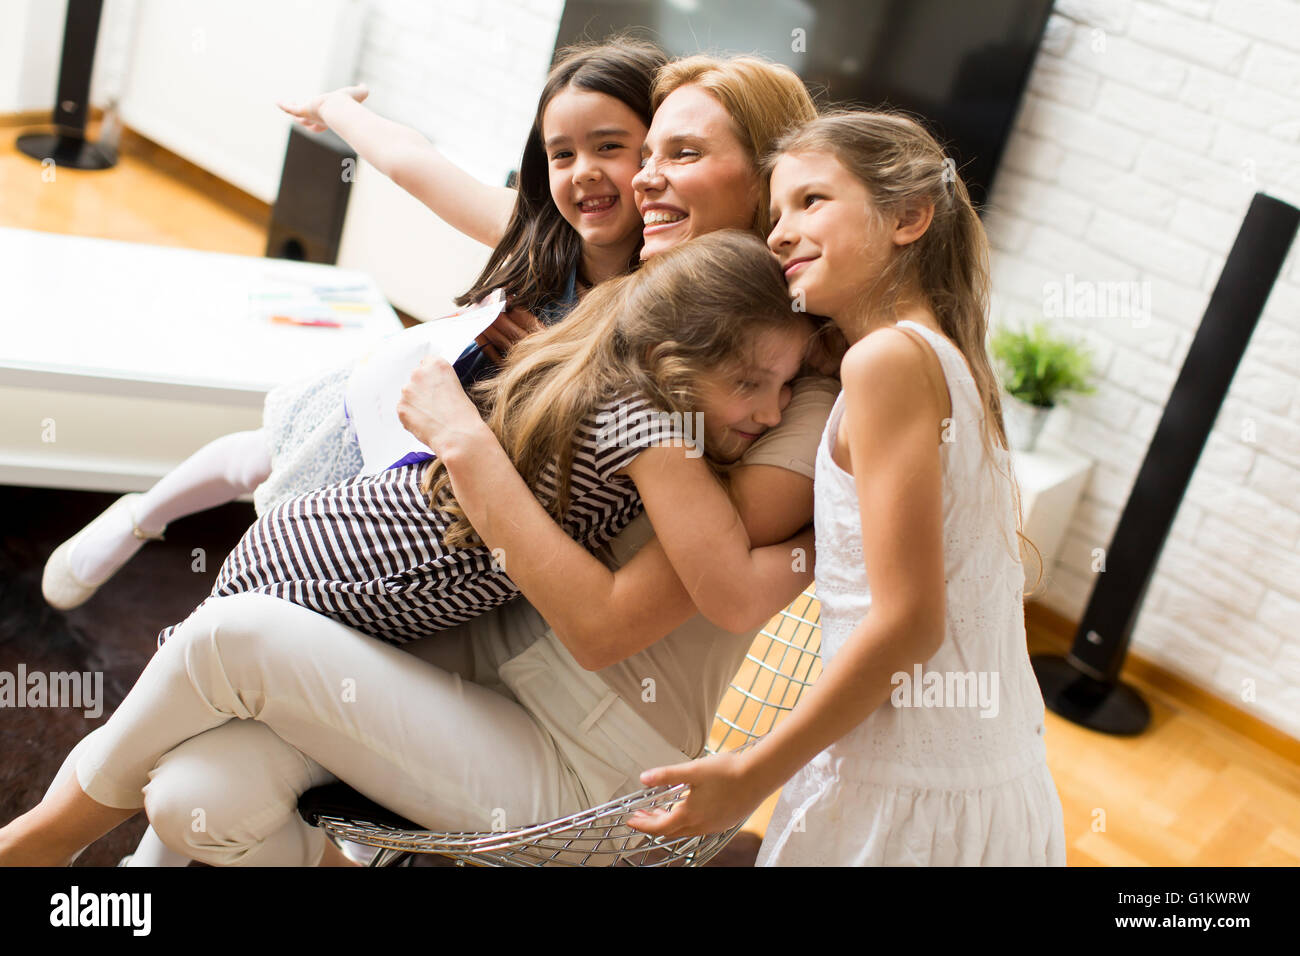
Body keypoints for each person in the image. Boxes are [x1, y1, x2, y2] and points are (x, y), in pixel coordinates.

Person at [0, 55, 830, 867]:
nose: (641, 178)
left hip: (587, 740)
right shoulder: (624, 304)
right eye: (645, 152)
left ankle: (45, 840)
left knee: (227, 639)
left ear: (767, 180)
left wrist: (467, 443)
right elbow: (426, 175)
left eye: (676, 155)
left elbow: (632, 616)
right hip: (454, 636)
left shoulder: (782, 381)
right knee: (195, 802)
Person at [41, 37, 665, 610]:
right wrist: (336, 108)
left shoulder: (663, 296)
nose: (583, 169)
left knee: (310, 531)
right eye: (562, 153)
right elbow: (410, 162)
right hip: (404, 391)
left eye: (608, 145)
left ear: (659, 148)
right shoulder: (531, 230)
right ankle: (140, 516)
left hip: (451, 461)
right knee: (263, 449)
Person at [626, 110, 1068, 866]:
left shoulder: (886, 363)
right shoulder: (942, 359)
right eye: (773, 215)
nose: (778, 232)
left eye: (811, 201)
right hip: (985, 779)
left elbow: (910, 624)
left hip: (907, 798)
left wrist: (750, 773)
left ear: (907, 216)